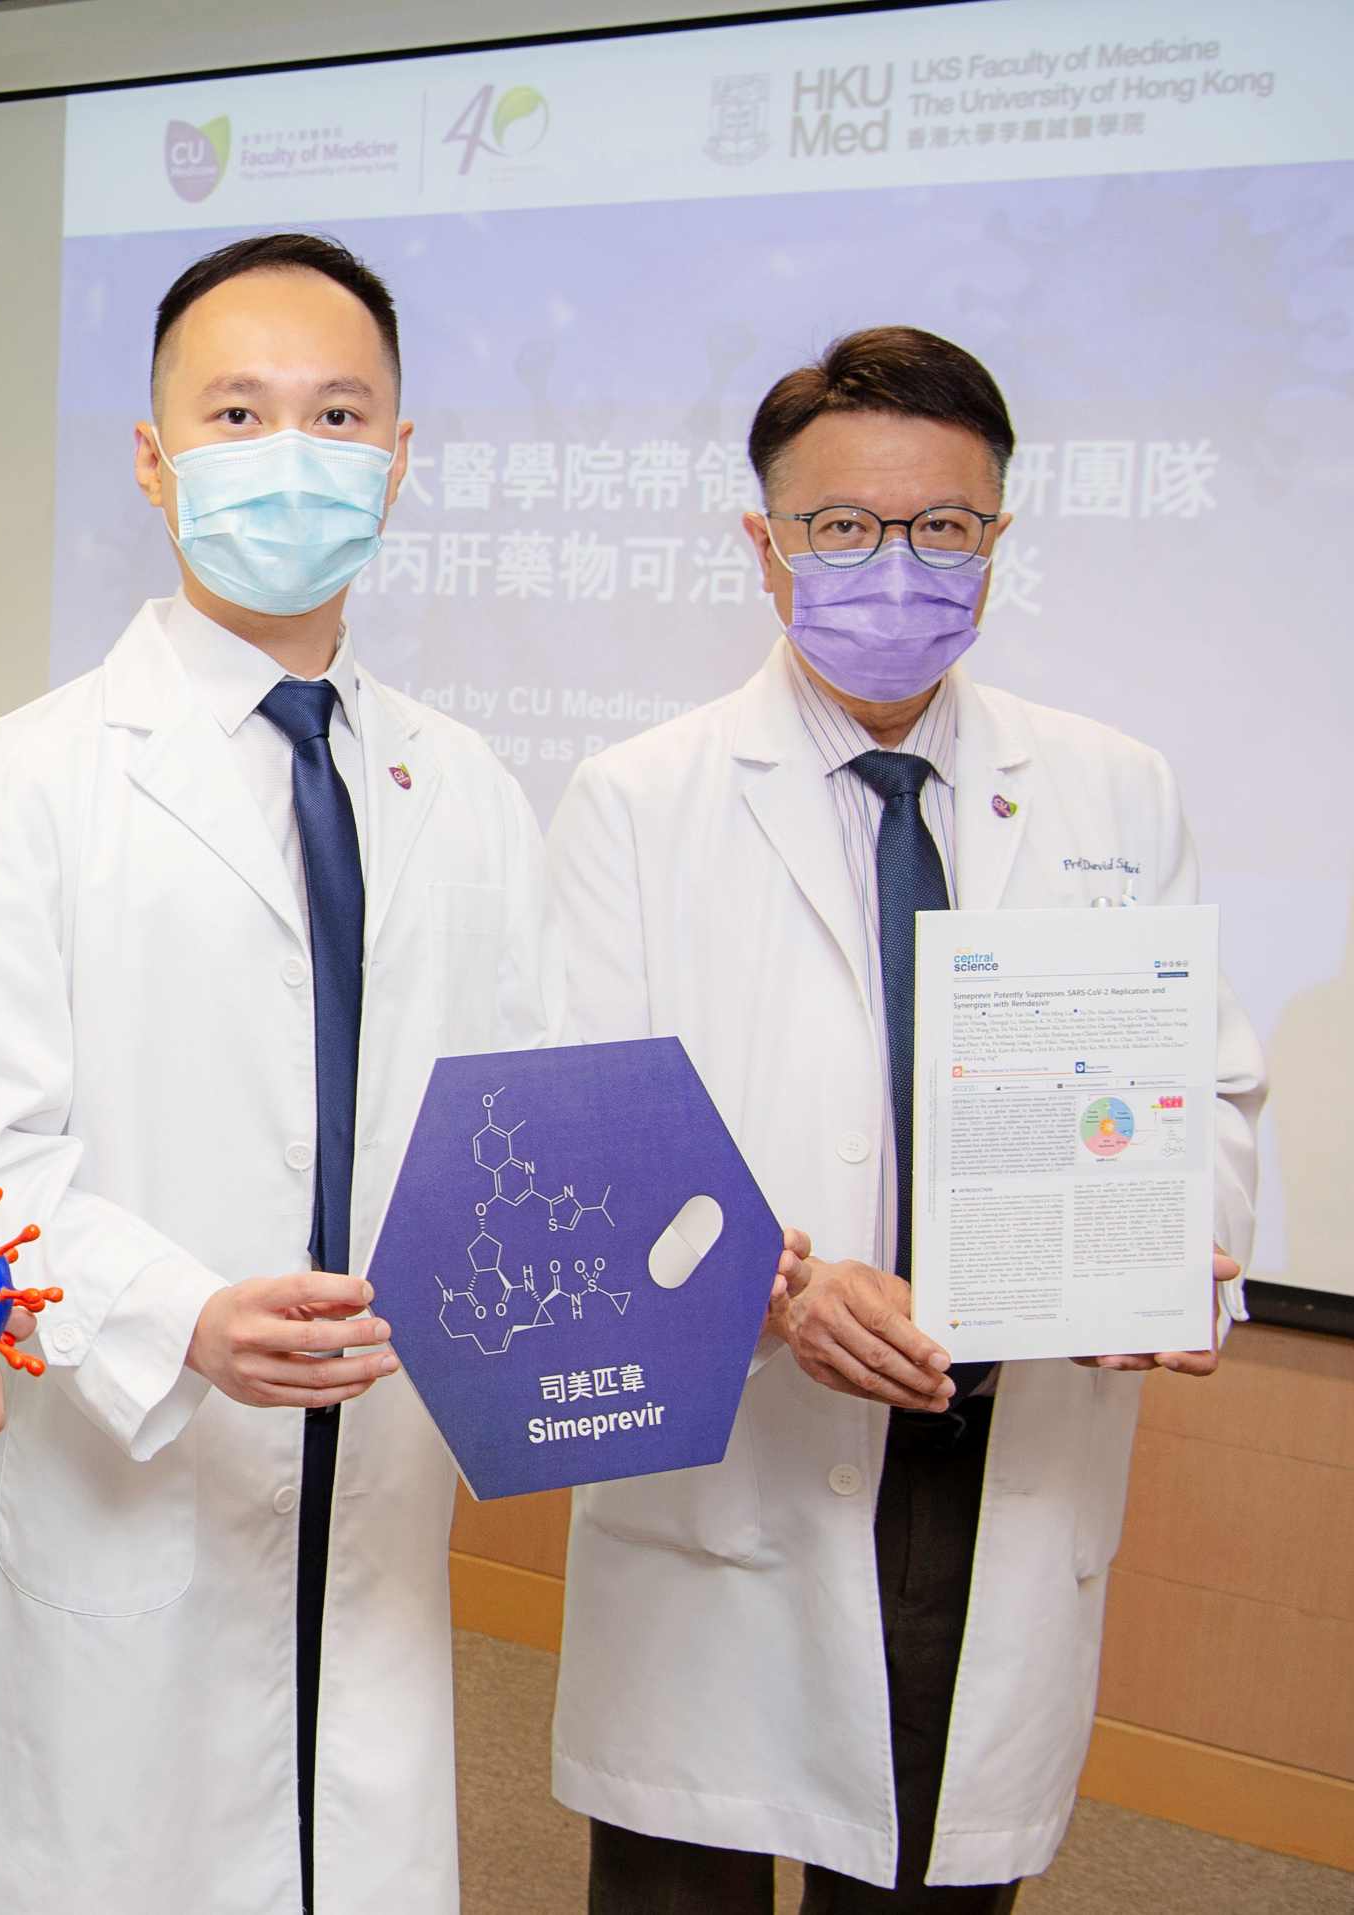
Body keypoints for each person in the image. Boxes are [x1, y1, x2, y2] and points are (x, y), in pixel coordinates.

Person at [545, 327, 1266, 1910]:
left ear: (997, 541)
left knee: (938, 1880)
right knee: (690, 1881)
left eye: (945, 527)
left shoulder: (1112, 790)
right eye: (845, 528)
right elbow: (588, 1154)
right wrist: (781, 1288)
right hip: (740, 1462)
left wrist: (1173, 1239)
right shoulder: (638, 800)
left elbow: (1204, 1088)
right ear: (767, 545)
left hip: (999, 1443)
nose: (900, 565)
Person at [0, 232, 559, 1915]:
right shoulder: (19, 784)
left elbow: (524, 1133)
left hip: (388, 1485)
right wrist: (178, 1312)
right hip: (134, 1473)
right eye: (239, 411)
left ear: (402, 462)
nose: (293, 456)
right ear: (152, 458)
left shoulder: (465, 785)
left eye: (339, 415)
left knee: (357, 1836)